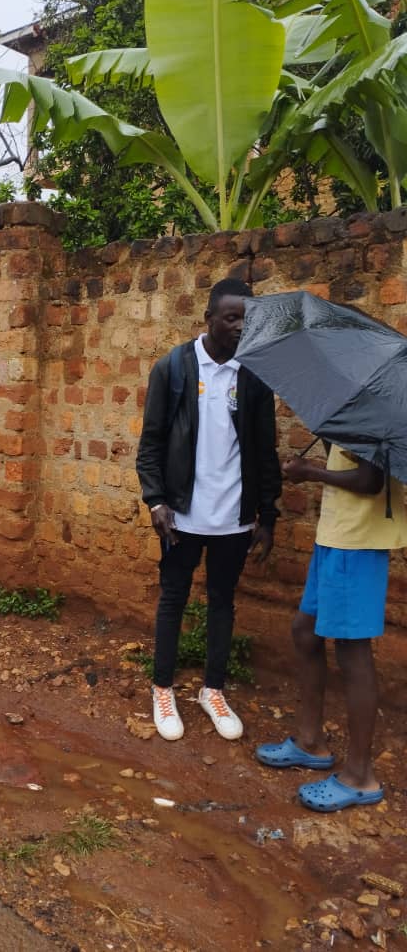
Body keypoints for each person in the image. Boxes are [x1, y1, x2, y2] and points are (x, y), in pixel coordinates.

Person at [136, 278, 281, 742]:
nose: (239, 327)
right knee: (173, 598)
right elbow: (151, 443)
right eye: (231, 318)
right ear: (210, 318)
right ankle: (162, 688)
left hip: (234, 518)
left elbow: (265, 450)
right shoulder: (174, 368)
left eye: (246, 319)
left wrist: (268, 515)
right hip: (181, 514)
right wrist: (155, 500)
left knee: (222, 602)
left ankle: (212, 690)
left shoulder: (252, 376)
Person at [256, 444, 404, 811]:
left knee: (353, 651)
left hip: (359, 542)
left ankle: (360, 776)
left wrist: (311, 473)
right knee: (305, 633)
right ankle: (310, 742)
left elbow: (370, 480)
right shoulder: (355, 407)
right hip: (336, 535)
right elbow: (350, 459)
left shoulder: (375, 408)